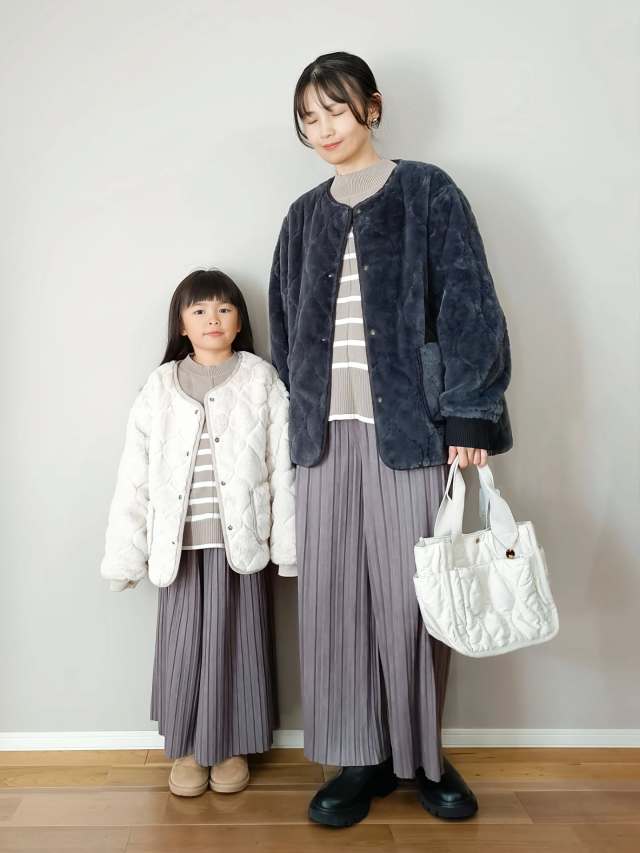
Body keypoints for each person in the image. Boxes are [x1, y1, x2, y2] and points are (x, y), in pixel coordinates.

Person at [269, 51, 513, 827]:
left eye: (335, 110)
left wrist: (469, 414)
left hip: (410, 430)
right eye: (308, 118)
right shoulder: (302, 216)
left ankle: (422, 756)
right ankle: (358, 757)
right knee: (335, 601)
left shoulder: (428, 191)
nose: (323, 129)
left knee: (415, 600)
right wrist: (295, 421)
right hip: (322, 438)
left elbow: (469, 301)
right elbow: (284, 324)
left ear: (371, 107)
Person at [101, 269, 296, 797]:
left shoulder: (261, 379)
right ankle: (188, 747)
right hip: (179, 546)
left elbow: (283, 467)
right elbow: (135, 474)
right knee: (184, 647)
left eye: (225, 309)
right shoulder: (160, 385)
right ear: (182, 324)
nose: (214, 319)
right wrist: (126, 555)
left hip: (242, 543)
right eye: (200, 310)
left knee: (238, 644)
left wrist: (288, 546)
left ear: (240, 322)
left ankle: (232, 747)